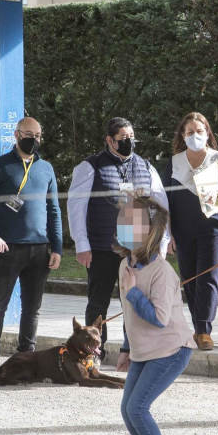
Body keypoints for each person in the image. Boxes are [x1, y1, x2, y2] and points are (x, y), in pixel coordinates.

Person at [67, 117, 168, 368]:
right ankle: (93, 354)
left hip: (138, 249)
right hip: (102, 248)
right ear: (109, 140)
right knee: (98, 301)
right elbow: (75, 206)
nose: (128, 142)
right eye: (123, 138)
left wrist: (162, 244)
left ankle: (133, 351)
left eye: (131, 137)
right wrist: (82, 243)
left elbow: (162, 206)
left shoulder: (146, 167)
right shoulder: (90, 167)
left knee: (134, 300)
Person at [0, 117, 63, 381]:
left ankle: (26, 357)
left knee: (32, 308)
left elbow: (54, 210)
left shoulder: (46, 168)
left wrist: (57, 247)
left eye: (38, 135)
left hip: (40, 249)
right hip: (7, 249)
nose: (33, 139)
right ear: (17, 134)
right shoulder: (0, 166)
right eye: (28, 134)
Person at [115, 195, 195, 435]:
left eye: (132, 222)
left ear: (150, 231)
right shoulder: (126, 265)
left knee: (138, 408)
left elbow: (160, 318)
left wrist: (135, 293)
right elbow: (128, 312)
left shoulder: (161, 272)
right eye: (122, 220)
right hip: (143, 350)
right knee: (128, 409)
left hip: (171, 349)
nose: (124, 226)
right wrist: (126, 348)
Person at [161, 112, 218, 351]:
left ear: (207, 133)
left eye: (199, 131)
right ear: (183, 135)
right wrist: (168, 235)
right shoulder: (174, 162)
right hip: (183, 229)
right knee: (189, 279)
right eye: (190, 132)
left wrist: (217, 194)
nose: (195, 136)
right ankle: (196, 325)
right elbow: (165, 201)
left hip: (213, 227)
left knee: (207, 278)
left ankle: (204, 331)